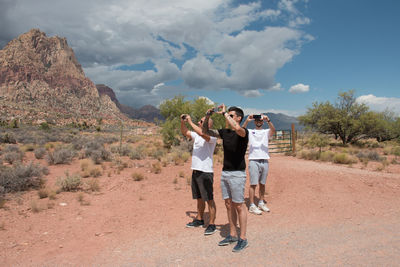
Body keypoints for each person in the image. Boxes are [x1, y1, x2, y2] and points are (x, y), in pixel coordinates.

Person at [202, 104, 249, 252]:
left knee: (239, 205)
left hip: (237, 174)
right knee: (228, 204)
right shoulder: (224, 132)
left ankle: (243, 238)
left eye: (231, 115)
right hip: (225, 173)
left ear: (239, 118)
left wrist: (224, 114)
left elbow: (238, 129)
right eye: (228, 115)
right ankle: (233, 234)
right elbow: (205, 131)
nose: (228, 117)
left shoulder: (243, 132)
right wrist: (208, 116)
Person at [180, 114, 218, 235]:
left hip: (206, 172)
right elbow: (185, 132)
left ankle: (212, 224)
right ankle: (200, 219)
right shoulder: (196, 134)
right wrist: (183, 122)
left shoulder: (212, 136)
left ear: (208, 124)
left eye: (201, 122)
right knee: (199, 198)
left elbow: (202, 134)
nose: (198, 123)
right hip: (196, 170)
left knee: (209, 199)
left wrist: (190, 122)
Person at [243, 114, 275, 215]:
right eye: (256, 120)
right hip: (253, 160)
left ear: (263, 122)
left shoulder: (266, 132)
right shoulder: (250, 131)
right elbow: (241, 130)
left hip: (264, 159)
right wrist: (247, 120)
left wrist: (268, 120)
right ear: (254, 121)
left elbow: (273, 130)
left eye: (260, 120)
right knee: (253, 184)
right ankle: (252, 205)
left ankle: (261, 202)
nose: (258, 122)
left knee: (262, 183)